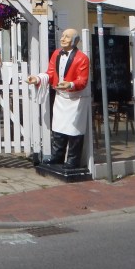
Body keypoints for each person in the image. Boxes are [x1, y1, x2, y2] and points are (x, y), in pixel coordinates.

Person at [27, 28, 90, 168]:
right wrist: (37, 78)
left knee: (74, 130)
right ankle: (57, 156)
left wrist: (70, 84)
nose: (62, 39)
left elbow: (83, 80)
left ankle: (73, 160)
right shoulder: (56, 54)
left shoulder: (82, 58)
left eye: (67, 37)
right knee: (58, 128)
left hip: (75, 99)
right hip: (60, 97)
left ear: (75, 41)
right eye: (62, 36)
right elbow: (50, 73)